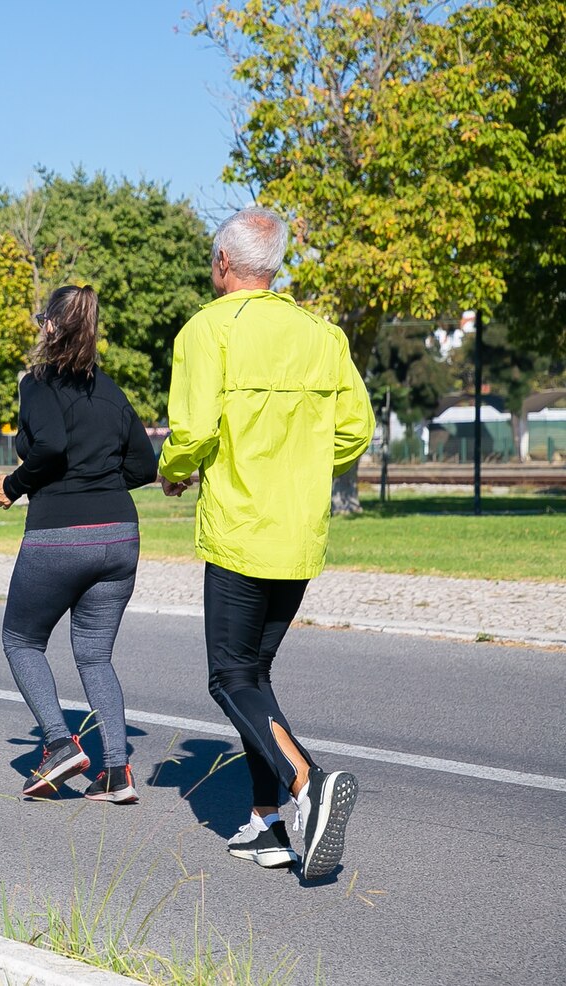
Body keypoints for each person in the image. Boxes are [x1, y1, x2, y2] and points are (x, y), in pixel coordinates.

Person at [158, 207, 374, 879]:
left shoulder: (206, 330)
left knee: (229, 678)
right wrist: (301, 462)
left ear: (224, 263)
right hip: (299, 533)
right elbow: (354, 431)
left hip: (240, 530)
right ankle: (263, 823)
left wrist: (172, 472)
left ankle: (307, 782)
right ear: (272, 266)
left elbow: (190, 431)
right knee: (257, 677)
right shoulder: (322, 333)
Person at [0, 285, 157, 804]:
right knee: (94, 656)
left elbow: (52, 446)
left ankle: (60, 743)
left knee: (21, 640)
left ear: (50, 327)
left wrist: (13, 487)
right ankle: (115, 772)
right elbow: (144, 466)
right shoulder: (111, 391)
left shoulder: (36, 384)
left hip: (58, 536)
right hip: (120, 538)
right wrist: (101, 487)